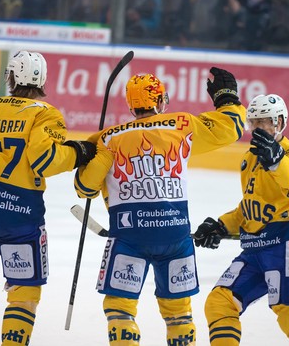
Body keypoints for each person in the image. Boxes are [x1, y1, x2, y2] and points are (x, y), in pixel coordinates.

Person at [74, 68, 246, 345]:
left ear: (131, 105)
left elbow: (85, 188)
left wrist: (92, 151)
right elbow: (232, 128)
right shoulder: (181, 125)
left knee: (119, 308)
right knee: (178, 313)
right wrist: (227, 98)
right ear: (162, 100)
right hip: (175, 236)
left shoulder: (107, 138)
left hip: (129, 238)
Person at [0, 50, 96, 345]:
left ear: (10, 77)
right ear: (44, 79)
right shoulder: (44, 113)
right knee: (23, 293)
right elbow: (46, 160)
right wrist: (80, 152)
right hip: (19, 218)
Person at [193, 94, 289, 346]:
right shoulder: (249, 159)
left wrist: (277, 160)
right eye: (253, 122)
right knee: (219, 302)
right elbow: (250, 208)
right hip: (256, 249)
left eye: (263, 122)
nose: (256, 128)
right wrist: (221, 225)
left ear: (279, 122)